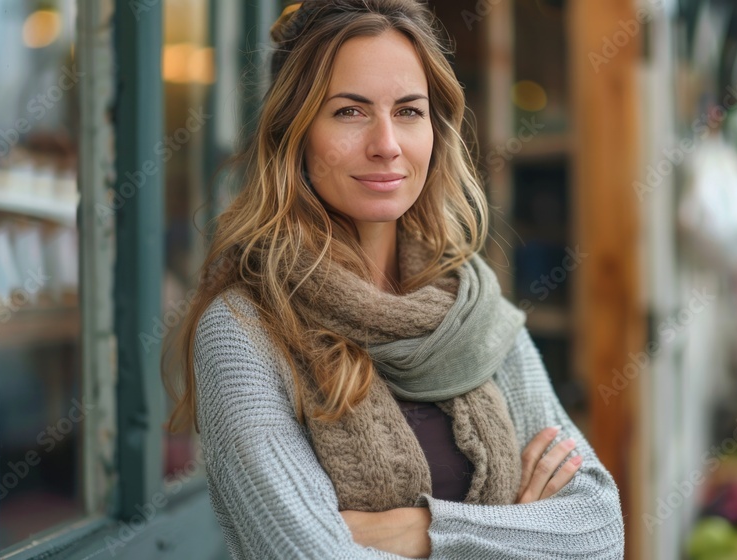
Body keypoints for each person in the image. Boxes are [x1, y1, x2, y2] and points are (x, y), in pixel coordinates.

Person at [162, 1, 624, 558]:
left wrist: (425, 532)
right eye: (349, 112)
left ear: (436, 129)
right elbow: (311, 555)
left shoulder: (471, 308)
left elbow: (598, 528)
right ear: (294, 132)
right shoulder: (243, 330)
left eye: (408, 111)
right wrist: (521, 532)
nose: (387, 144)